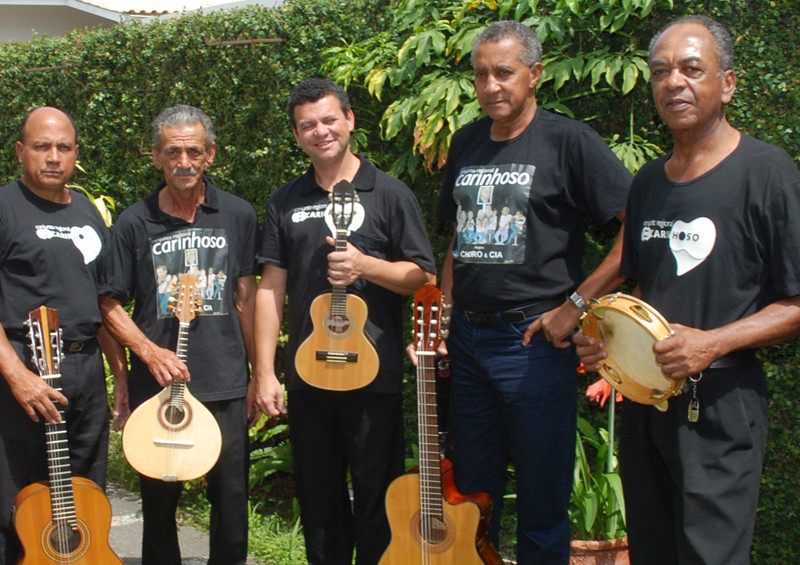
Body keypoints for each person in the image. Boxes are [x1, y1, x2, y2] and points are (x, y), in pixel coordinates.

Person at [575, 15, 800, 565]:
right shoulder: (649, 180)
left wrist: (713, 343)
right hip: (646, 405)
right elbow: (639, 288)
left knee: (710, 556)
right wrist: (599, 341)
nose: (673, 82)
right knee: (652, 551)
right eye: (660, 71)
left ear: (727, 84)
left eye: (692, 69)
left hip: (720, 405)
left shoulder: (768, 171)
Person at [437, 21, 632, 564]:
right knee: (471, 500)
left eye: (505, 72)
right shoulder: (466, 142)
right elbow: (459, 235)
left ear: (535, 74)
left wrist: (576, 306)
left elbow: (635, 226)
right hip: (469, 344)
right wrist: (445, 317)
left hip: (532, 346)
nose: (492, 85)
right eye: (481, 74)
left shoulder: (570, 141)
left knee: (543, 506)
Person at [253, 78, 436, 565]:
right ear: (296, 135)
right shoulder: (284, 201)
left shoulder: (390, 194)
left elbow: (423, 277)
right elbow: (270, 288)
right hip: (309, 374)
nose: (320, 131)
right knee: (318, 497)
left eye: (329, 119)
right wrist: (266, 371)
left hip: (373, 375)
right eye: (307, 125)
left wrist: (366, 266)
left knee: (379, 496)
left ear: (350, 120)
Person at [99, 105, 259, 565]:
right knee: (159, 501)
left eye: (193, 151)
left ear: (210, 155)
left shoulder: (238, 215)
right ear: (156, 156)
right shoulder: (134, 222)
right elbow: (108, 303)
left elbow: (246, 298)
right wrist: (148, 353)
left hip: (225, 379)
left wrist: (258, 373)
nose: (184, 162)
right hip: (158, 385)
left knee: (230, 500)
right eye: (173, 152)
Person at [0, 106, 126, 563]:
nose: (53, 157)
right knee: (17, 503)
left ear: (76, 153)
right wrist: (17, 377)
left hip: (84, 371)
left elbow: (103, 301)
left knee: (85, 495)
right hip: (22, 371)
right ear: (20, 151)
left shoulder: (88, 213)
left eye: (63, 148)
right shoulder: (4, 207)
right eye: (41, 147)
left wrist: (121, 379)